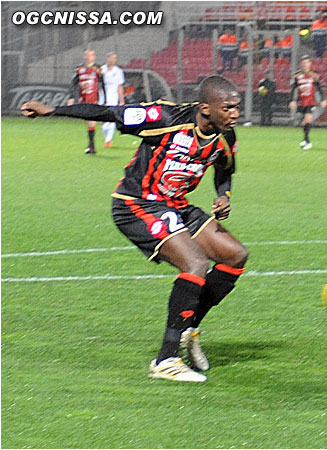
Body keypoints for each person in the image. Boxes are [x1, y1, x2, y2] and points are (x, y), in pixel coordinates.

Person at [21, 76, 248, 383]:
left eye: (237, 107)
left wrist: (224, 196)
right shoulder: (164, 118)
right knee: (195, 263)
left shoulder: (225, 136)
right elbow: (108, 112)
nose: (235, 114)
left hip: (176, 204)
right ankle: (166, 360)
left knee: (235, 255)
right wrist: (52, 111)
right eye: (229, 108)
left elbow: (225, 170)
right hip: (136, 203)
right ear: (206, 109)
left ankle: (189, 329)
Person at [289, 55, 327, 150]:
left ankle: (307, 141)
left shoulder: (314, 75)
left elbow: (319, 88)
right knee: (304, 123)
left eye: (307, 62)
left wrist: (323, 99)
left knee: (308, 119)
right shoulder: (297, 76)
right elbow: (293, 89)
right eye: (303, 63)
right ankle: (305, 139)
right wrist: (292, 100)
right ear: (300, 64)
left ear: (310, 64)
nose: (305, 65)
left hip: (310, 102)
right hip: (301, 102)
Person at [68, 49, 103, 154]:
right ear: (84, 57)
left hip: (93, 99)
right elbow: (73, 83)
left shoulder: (97, 69)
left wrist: (104, 98)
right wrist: (71, 97)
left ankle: (91, 146)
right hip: (83, 98)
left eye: (91, 55)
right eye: (87, 55)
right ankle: (91, 145)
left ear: (94, 57)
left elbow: (103, 83)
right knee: (89, 122)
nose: (89, 57)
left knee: (91, 121)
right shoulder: (80, 69)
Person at [101, 52, 126, 148]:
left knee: (112, 117)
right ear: (108, 58)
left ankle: (108, 140)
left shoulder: (118, 71)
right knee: (103, 118)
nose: (113, 59)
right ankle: (107, 136)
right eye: (111, 58)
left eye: (115, 58)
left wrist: (121, 100)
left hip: (113, 96)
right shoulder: (102, 70)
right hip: (102, 96)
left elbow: (120, 86)